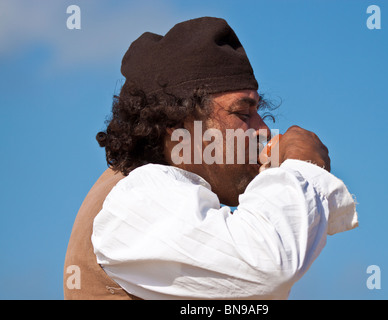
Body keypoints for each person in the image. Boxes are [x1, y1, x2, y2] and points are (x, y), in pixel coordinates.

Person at [63, 17, 358, 300]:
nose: (264, 130)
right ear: (177, 123)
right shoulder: (138, 195)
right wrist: (300, 166)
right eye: (243, 113)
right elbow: (269, 267)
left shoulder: (154, 196)